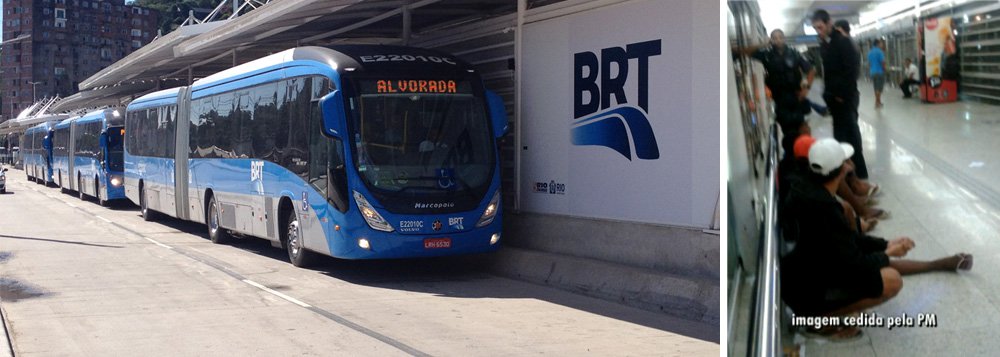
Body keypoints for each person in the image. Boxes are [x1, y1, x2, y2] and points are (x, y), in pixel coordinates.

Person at [781, 138, 973, 340]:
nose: (850, 165)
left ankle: (938, 264)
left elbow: (848, 241)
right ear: (840, 171)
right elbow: (854, 263)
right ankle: (819, 321)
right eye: (846, 162)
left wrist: (886, 244)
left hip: (803, 277)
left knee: (877, 260)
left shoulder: (808, 192)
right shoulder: (825, 210)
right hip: (809, 293)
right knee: (891, 280)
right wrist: (887, 253)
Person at [812, 9, 875, 191]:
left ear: (829, 22)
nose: (819, 31)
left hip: (845, 98)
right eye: (816, 28)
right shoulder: (825, 44)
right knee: (840, 137)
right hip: (833, 98)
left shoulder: (844, 42)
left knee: (852, 135)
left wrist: (842, 95)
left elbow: (852, 72)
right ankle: (847, 173)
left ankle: (860, 174)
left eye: (820, 27)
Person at [735, 29, 816, 158]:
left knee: (801, 128)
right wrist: (763, 45)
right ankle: (790, 155)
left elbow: (811, 70)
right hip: (780, 99)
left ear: (784, 38)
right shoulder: (766, 55)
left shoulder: (795, 54)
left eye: (780, 37)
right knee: (787, 131)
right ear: (771, 39)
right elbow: (743, 52)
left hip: (796, 98)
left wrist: (806, 88)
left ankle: (803, 155)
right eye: (774, 38)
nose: (777, 40)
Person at [868, 39, 887, 108]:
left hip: (872, 72)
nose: (882, 45)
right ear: (878, 44)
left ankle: (878, 102)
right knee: (879, 88)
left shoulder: (870, 52)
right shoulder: (880, 52)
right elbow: (883, 62)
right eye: (881, 43)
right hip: (879, 72)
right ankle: (877, 102)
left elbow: (869, 64)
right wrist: (885, 70)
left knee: (876, 88)